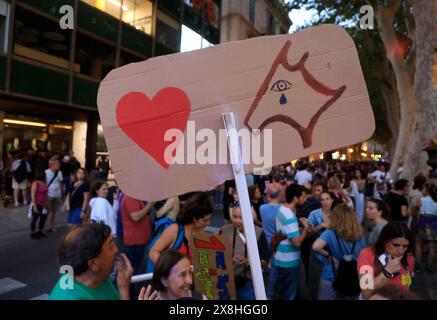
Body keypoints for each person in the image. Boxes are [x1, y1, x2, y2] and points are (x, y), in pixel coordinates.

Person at [49, 222, 133, 300]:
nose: (116, 249)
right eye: (110, 245)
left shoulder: (96, 276)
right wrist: (124, 290)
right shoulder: (70, 297)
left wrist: (123, 286)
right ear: (93, 264)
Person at [312, 204, 366, 300]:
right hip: (353, 277)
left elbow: (315, 246)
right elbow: (364, 255)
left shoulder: (330, 232)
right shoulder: (360, 234)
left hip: (331, 274)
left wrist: (328, 255)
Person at [267, 184, 310, 300]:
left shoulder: (282, 209)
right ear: (295, 198)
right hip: (289, 260)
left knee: (278, 291)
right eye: (303, 197)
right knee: (289, 294)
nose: (304, 199)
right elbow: (297, 243)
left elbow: (285, 231)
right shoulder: (290, 216)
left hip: (279, 256)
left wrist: (297, 228)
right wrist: (306, 228)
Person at [220, 204, 269, 300]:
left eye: (241, 217)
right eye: (234, 217)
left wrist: (247, 261)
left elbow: (264, 261)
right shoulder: (224, 230)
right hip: (226, 279)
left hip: (248, 281)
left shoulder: (258, 232)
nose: (237, 221)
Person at [149, 193, 212, 264]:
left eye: (209, 219)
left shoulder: (201, 232)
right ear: (194, 218)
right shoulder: (174, 230)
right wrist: (167, 269)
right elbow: (153, 252)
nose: (208, 223)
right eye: (205, 220)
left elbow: (202, 259)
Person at [357, 222, 415, 299]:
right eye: (395, 245)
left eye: (405, 246)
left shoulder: (409, 259)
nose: (400, 251)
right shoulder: (367, 254)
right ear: (384, 241)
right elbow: (366, 292)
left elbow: (406, 288)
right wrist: (387, 272)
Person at [307, 191, 338, 300]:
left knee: (333, 281)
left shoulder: (337, 214)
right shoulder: (314, 214)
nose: (325, 202)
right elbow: (308, 234)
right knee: (316, 280)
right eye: (322, 199)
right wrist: (321, 226)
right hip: (317, 253)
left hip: (335, 253)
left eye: (327, 199)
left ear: (332, 200)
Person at [139, 251, 206, 300]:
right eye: (182, 275)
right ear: (164, 280)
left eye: (190, 272)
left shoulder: (200, 298)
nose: (190, 281)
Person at [120, 194, 154, 275]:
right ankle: (132, 287)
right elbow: (136, 217)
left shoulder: (134, 197)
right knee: (135, 271)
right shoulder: (130, 197)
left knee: (136, 269)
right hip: (135, 241)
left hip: (138, 240)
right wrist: (149, 205)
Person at [415, 183, 437, 273]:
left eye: (423, 189)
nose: (422, 190)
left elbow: (417, 208)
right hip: (435, 224)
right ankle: (429, 266)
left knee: (418, 244)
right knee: (432, 246)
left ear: (427, 190)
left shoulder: (422, 199)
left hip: (423, 223)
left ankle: (418, 266)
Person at [45, 159, 63, 232]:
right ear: (53, 165)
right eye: (57, 164)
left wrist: (61, 194)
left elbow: (61, 183)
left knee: (54, 211)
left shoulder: (59, 172)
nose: (59, 166)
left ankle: (51, 226)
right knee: (47, 211)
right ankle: (42, 226)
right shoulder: (46, 172)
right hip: (49, 194)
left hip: (57, 194)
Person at [29, 169, 48, 239]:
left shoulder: (44, 182)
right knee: (35, 219)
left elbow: (46, 194)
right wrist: (34, 206)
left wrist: (46, 202)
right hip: (37, 204)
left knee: (43, 218)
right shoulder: (35, 183)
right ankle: (33, 233)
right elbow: (32, 195)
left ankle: (40, 231)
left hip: (44, 204)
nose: (46, 176)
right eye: (45, 175)